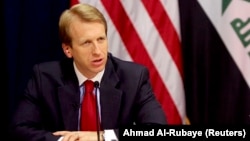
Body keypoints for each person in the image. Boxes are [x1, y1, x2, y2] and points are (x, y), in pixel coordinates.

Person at [9, 3, 167, 141]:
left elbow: (157, 131)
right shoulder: (45, 77)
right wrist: (65, 140)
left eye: (101, 39)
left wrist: (102, 137)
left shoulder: (133, 77)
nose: (97, 51)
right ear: (68, 49)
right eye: (86, 43)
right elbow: (19, 129)